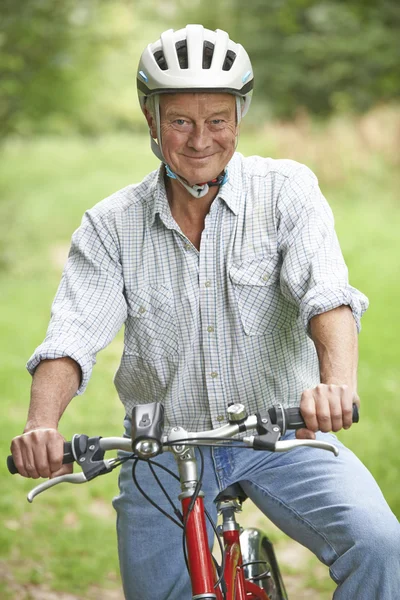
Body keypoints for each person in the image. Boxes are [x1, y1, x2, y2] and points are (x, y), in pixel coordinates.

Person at [11, 24, 400, 599]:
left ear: (238, 118)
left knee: (382, 547)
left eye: (217, 120)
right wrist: (41, 423)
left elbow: (327, 297)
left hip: (281, 438)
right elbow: (72, 336)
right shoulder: (110, 225)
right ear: (151, 120)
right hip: (162, 447)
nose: (200, 140)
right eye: (180, 121)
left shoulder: (287, 191)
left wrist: (334, 386)